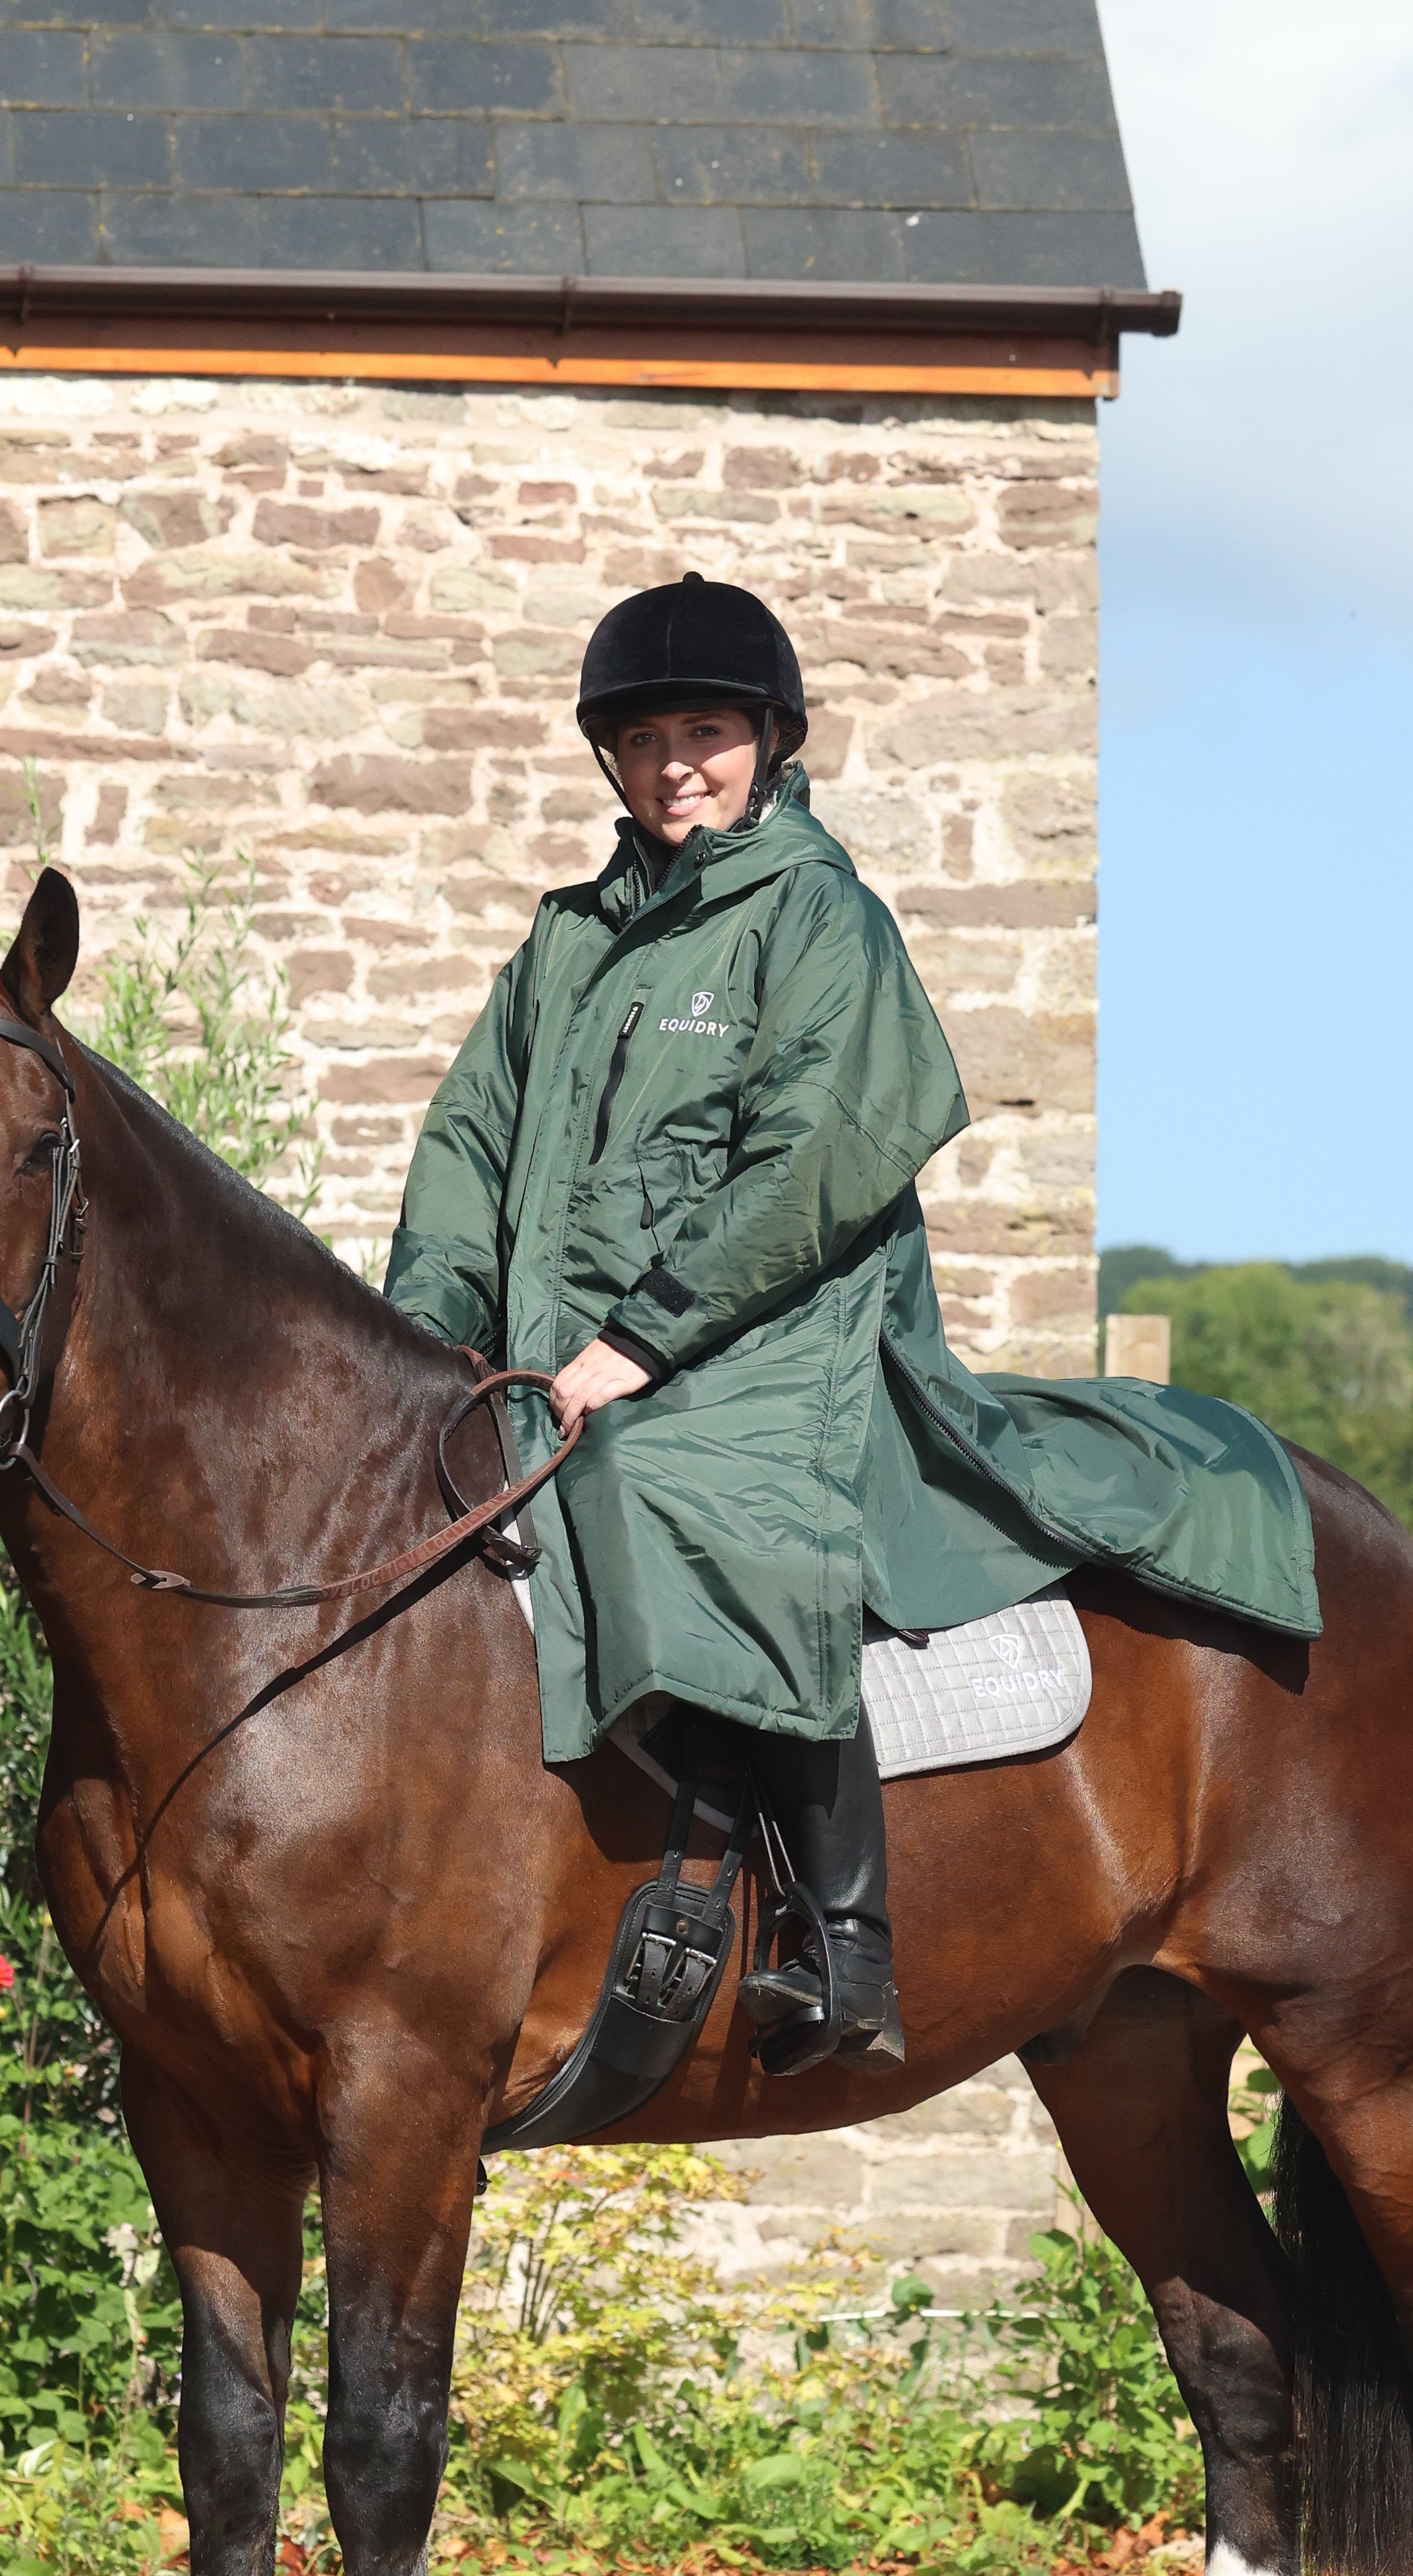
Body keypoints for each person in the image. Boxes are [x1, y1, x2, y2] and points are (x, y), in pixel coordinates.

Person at [385, 573, 1321, 2079]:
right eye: (646, 737)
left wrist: (642, 1341)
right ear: (608, 761)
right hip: (561, 1351)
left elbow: (816, 1153)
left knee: (656, 1486)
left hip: (769, 1344)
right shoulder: (562, 944)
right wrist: (419, 1341)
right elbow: (466, 1149)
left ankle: (837, 1932)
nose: (676, 760)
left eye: (707, 730)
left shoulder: (820, 917)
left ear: (769, 742)